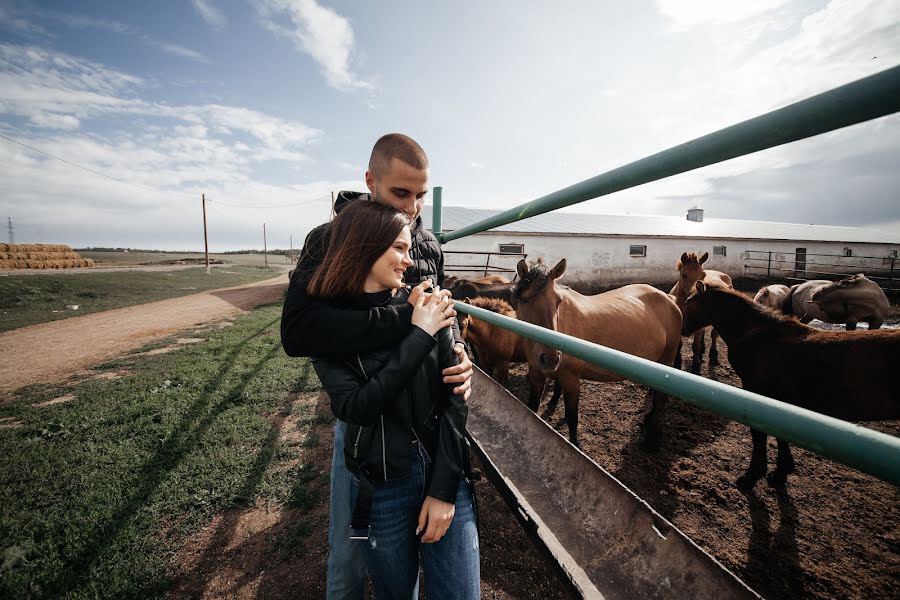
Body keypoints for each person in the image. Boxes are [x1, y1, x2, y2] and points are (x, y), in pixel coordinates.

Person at [280, 133, 474, 599]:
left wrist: (460, 348)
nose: (412, 208)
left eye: (421, 195)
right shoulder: (329, 241)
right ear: (370, 181)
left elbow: (441, 314)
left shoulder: (426, 244)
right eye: (400, 193)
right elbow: (299, 332)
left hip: (424, 420)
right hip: (369, 427)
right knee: (348, 557)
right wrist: (409, 321)